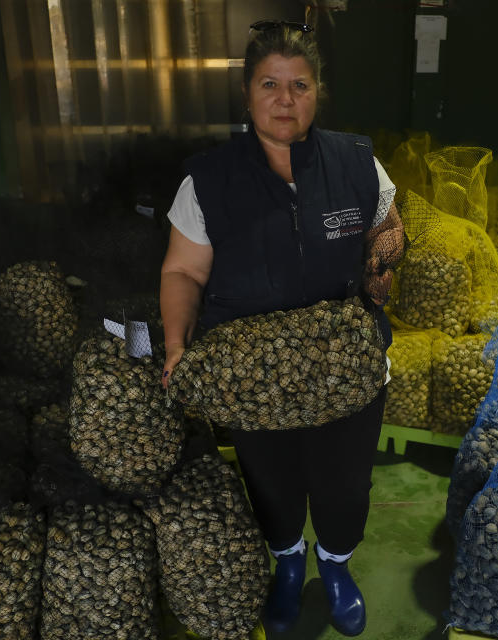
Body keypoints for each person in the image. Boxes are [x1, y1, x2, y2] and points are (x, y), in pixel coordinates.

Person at [159, 19, 404, 637]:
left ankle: (337, 566)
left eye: (299, 85)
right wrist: (176, 346)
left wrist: (382, 269)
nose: (285, 99)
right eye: (270, 84)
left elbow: (388, 225)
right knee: (272, 482)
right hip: (251, 376)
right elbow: (184, 271)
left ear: (317, 92)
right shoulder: (208, 181)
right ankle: (289, 563)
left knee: (344, 485)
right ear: (247, 94)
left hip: (345, 371)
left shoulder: (355, 161)